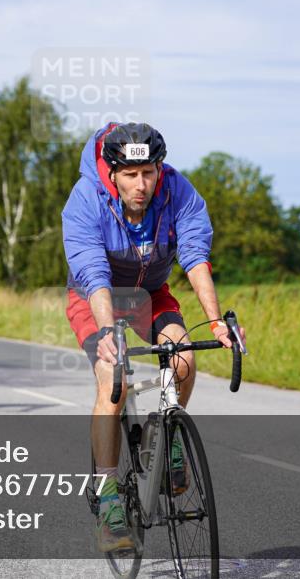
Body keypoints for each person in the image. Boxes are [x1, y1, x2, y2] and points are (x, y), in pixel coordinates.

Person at [61, 122, 246, 553]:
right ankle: (108, 496)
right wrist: (107, 332)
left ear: (159, 168)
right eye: (130, 175)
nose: (141, 185)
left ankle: (165, 438)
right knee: (112, 380)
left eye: (148, 173)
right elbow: (93, 272)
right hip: (95, 296)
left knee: (183, 359)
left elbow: (195, 256)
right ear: (112, 172)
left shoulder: (178, 190)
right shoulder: (85, 199)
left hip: (151, 293)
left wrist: (215, 322)